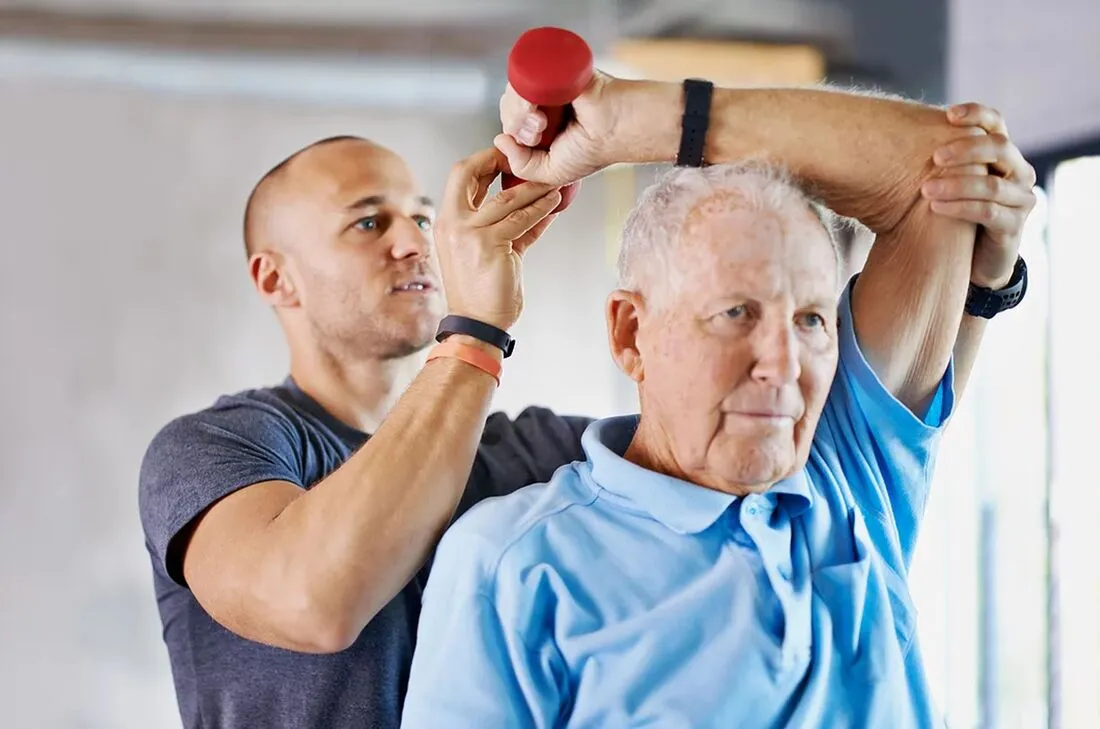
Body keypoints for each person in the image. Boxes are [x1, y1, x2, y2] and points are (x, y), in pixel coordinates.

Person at [138, 79, 1033, 729]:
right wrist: (476, 329)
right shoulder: (220, 448)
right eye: (369, 221)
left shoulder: (538, 463)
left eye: (419, 213)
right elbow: (315, 599)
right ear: (274, 277)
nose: (414, 239)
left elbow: (939, 172)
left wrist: (626, 125)